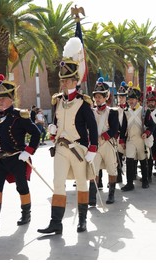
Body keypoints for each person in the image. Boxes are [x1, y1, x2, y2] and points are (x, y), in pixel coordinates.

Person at [37, 37, 98, 235]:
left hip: (79, 149)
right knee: (58, 182)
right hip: (61, 147)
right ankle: (56, 222)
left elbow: (92, 126)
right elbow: (56, 121)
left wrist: (93, 149)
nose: (63, 82)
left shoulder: (83, 102)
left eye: (66, 80)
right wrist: (52, 128)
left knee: (81, 183)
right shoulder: (57, 100)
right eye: (62, 80)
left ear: (75, 81)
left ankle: (82, 221)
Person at [0, 74, 41, 231]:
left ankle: (26, 213)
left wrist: (28, 151)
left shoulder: (19, 116)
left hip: (16, 158)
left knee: (21, 186)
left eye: (3, 98)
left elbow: (36, 133)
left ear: (11, 99)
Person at [88, 77, 119, 205]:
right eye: (96, 96)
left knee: (112, 169)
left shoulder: (112, 112)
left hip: (107, 144)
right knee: (93, 170)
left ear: (106, 97)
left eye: (100, 96)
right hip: (95, 145)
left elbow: (115, 130)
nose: (97, 99)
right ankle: (92, 197)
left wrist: (103, 137)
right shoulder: (90, 112)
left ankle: (111, 194)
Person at [120, 85, 155, 191]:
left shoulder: (144, 111)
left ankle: (145, 181)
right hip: (130, 139)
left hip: (141, 139)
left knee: (143, 161)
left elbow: (152, 125)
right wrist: (122, 140)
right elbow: (123, 127)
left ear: (137, 99)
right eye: (129, 99)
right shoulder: (126, 111)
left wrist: (147, 133)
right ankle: (129, 183)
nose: (130, 101)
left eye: (132, 99)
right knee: (129, 161)